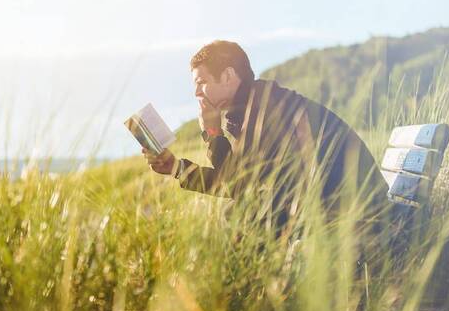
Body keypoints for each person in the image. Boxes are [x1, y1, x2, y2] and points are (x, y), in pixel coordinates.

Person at [143, 39, 392, 249]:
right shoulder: (254, 105)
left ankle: (260, 300)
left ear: (228, 75)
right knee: (239, 213)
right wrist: (176, 167)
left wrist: (212, 132)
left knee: (240, 215)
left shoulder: (266, 111)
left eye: (201, 82)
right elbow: (239, 182)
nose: (197, 92)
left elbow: (236, 185)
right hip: (338, 207)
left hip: (359, 217)